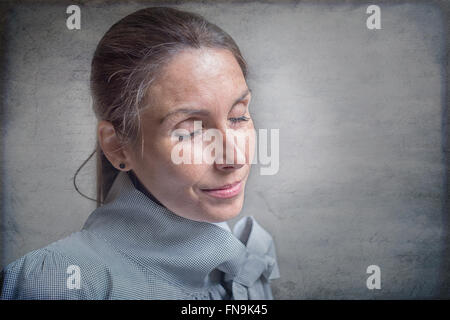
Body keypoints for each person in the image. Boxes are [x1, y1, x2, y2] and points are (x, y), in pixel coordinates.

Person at [0, 6, 280, 300]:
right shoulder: (55, 284)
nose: (234, 158)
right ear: (117, 145)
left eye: (238, 117)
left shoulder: (244, 265)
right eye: (191, 131)